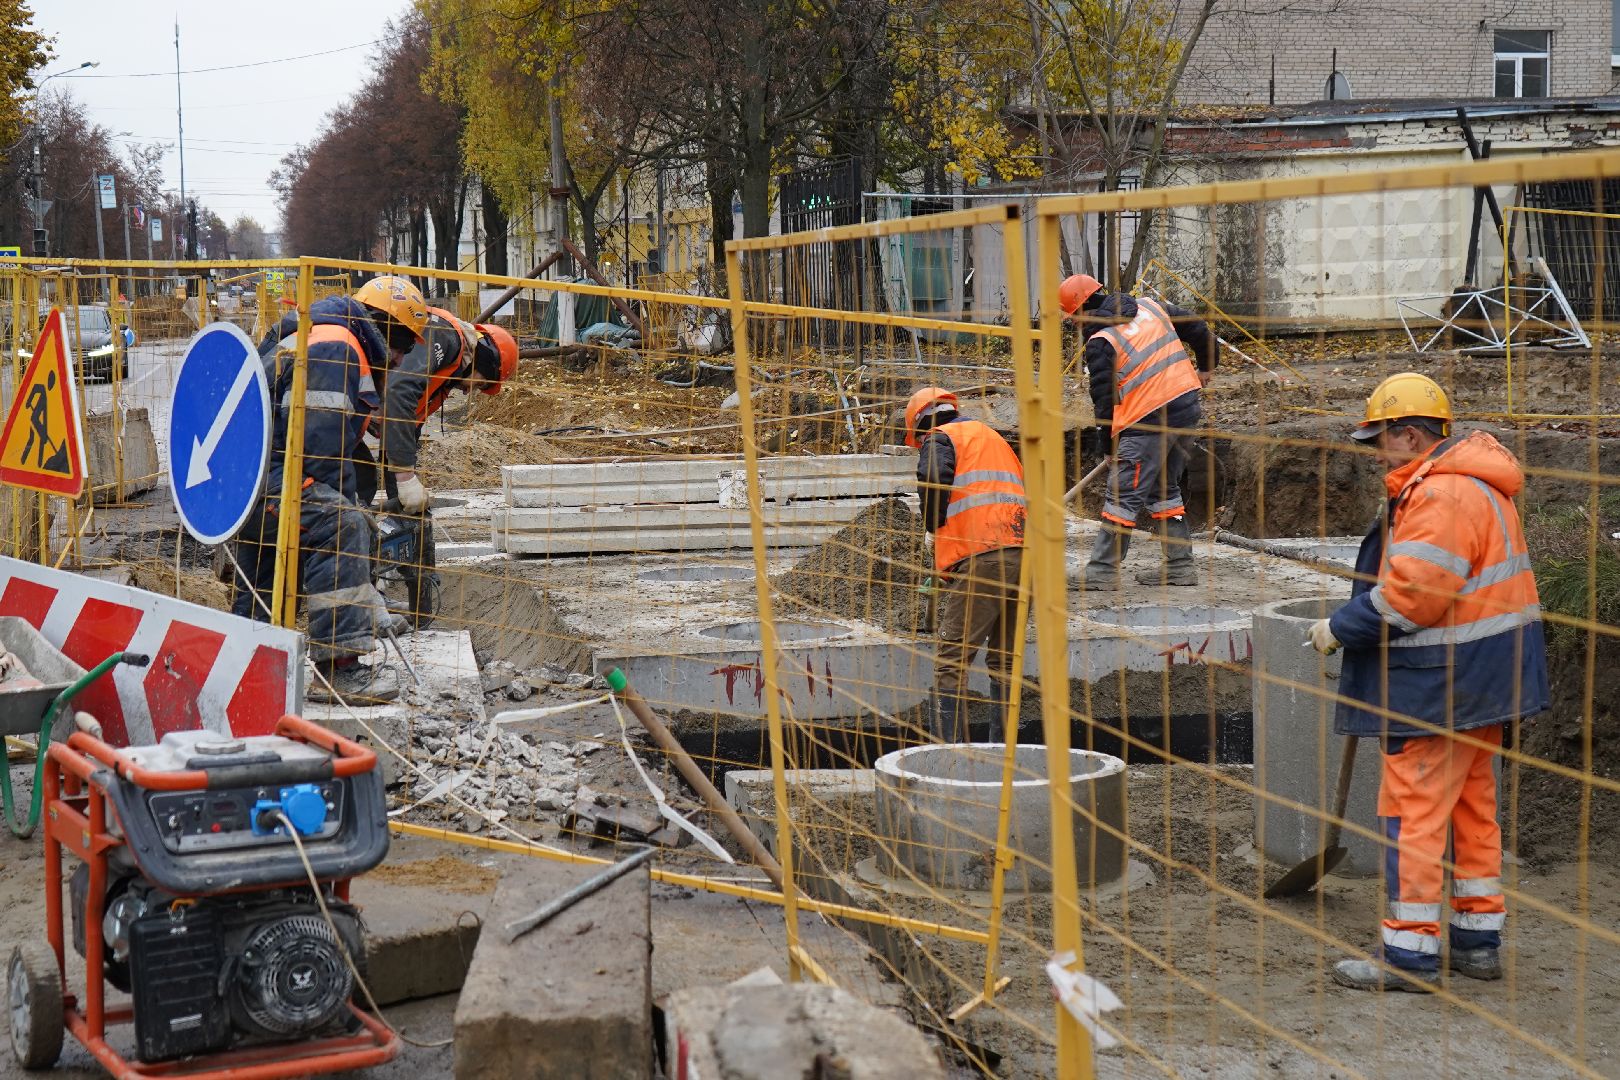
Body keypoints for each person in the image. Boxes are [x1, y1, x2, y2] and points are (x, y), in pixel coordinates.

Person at [1308, 372, 1548, 991]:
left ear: (1410, 434)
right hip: (1486, 679)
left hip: (1439, 685)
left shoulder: (1441, 497)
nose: (1375, 454)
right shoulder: (1479, 486)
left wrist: (1341, 627)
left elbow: (1412, 599)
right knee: (1473, 810)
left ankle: (1409, 956)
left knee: (1411, 814)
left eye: (1380, 440)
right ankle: (1477, 942)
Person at [230, 275, 429, 705]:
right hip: (274, 475)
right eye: (406, 345)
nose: (400, 359)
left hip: (242, 480)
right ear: (388, 328)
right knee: (342, 527)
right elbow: (319, 455)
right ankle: (339, 670)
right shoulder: (340, 347)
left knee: (264, 575)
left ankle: (247, 671)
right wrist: (357, 557)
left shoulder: (316, 331)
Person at [1061, 273, 1217, 589]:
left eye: (1072, 320)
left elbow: (1104, 401)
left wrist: (1108, 443)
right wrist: (1206, 366)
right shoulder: (1151, 307)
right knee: (1163, 488)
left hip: (1148, 420)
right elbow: (1199, 329)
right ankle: (1180, 566)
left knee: (1122, 495)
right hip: (1186, 409)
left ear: (1080, 311)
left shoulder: (1101, 341)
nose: (1074, 326)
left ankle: (1102, 571)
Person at [906, 387, 1027, 743]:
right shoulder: (992, 437)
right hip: (1027, 554)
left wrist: (932, 527)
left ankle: (948, 757)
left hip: (984, 555)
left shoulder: (941, 439)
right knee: (1005, 661)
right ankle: (1004, 757)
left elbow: (933, 481)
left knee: (951, 663)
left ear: (920, 423)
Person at [357, 304, 518, 511]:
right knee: (358, 481)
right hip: (336, 396)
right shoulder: (445, 336)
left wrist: (403, 502)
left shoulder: (444, 377)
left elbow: (403, 433)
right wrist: (405, 478)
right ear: (484, 361)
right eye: (479, 384)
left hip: (350, 407)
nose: (469, 392)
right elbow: (399, 391)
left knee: (361, 481)